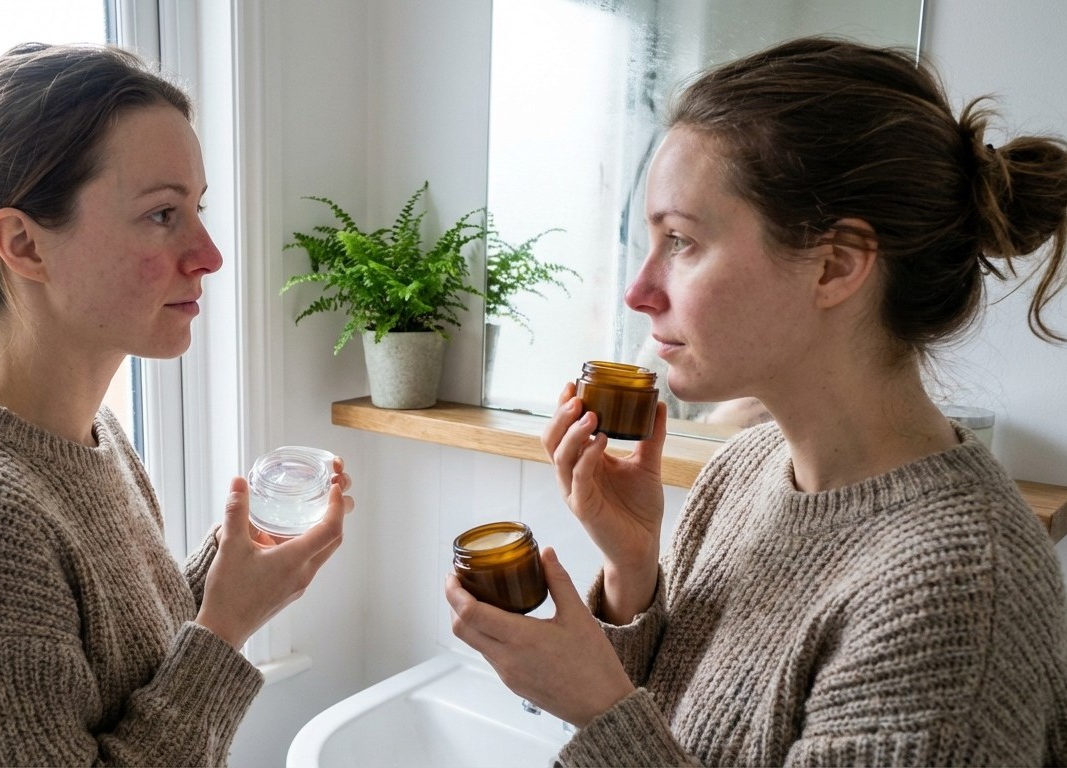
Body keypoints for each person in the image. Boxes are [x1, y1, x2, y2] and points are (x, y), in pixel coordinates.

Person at [446, 36, 1067, 766]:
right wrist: (631, 572)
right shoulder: (744, 469)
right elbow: (678, 724)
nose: (637, 291)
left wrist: (597, 712)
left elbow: (628, 731)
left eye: (678, 240)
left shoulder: (956, 590)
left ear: (834, 266)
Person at [0, 43, 352, 767]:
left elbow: (114, 680)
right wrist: (226, 629)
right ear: (24, 244)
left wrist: (227, 573)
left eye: (196, 208)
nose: (208, 254)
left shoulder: (86, 435)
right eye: (161, 214)